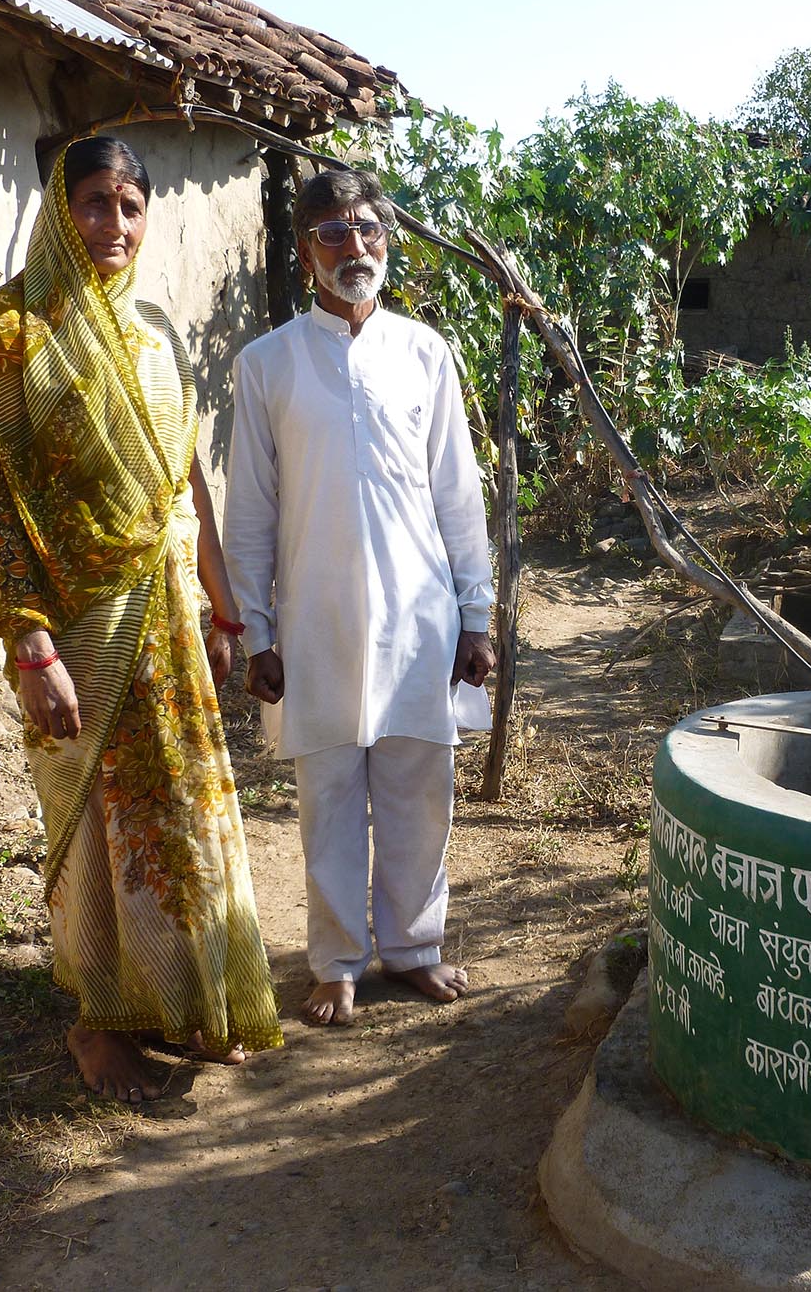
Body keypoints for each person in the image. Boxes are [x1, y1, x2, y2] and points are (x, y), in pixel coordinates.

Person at [0, 136, 283, 1101]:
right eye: (95, 203)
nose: (115, 224)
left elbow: (187, 486)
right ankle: (100, 1026)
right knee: (96, 826)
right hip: (75, 621)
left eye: (132, 206)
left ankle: (185, 1002)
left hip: (168, 610)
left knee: (179, 816)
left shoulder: (152, 331)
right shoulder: (7, 332)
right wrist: (29, 643)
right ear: (60, 210)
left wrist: (227, 615)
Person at [224, 168, 495, 1026]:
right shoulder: (265, 365)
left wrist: (477, 615)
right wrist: (257, 630)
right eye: (333, 235)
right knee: (330, 796)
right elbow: (251, 510)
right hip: (318, 622)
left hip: (422, 619)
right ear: (305, 252)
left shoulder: (425, 354)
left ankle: (414, 948)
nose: (355, 249)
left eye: (368, 231)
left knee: (421, 790)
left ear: (388, 240)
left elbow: (458, 492)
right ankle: (336, 960)